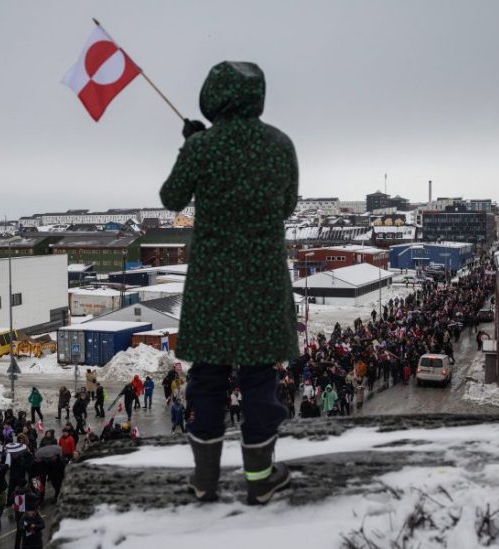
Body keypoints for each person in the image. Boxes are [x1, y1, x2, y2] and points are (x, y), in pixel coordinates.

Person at [160, 61, 297, 505]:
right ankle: (259, 478)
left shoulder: (204, 147)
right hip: (261, 278)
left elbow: (171, 198)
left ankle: (204, 481)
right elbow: (288, 205)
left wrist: (194, 147)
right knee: (260, 378)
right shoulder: (279, 144)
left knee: (208, 377)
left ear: (211, 96)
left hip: (212, 281)